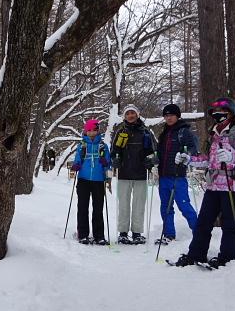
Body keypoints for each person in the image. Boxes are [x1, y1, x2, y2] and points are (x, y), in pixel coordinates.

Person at [172, 97, 235, 268]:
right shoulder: (214, 133)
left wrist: (232, 157)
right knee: (203, 221)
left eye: (223, 111)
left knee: (229, 222)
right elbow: (208, 160)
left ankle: (228, 257)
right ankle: (196, 254)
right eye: (215, 112)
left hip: (234, 183)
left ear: (232, 113)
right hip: (214, 184)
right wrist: (189, 159)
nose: (218, 114)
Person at [110, 104, 157, 245]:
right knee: (123, 204)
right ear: (125, 116)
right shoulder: (120, 132)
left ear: (137, 115)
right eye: (128, 113)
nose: (130, 116)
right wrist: (116, 160)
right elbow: (114, 151)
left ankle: (137, 233)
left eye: (133, 113)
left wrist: (151, 162)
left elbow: (153, 152)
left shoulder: (146, 132)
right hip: (123, 173)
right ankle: (123, 233)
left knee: (139, 204)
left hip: (141, 173)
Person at [155, 104, 198, 245]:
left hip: (178, 175)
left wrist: (187, 154)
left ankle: (199, 232)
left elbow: (192, 148)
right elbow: (159, 152)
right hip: (163, 175)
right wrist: (154, 159)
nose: (168, 118)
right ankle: (168, 234)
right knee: (165, 206)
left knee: (184, 205)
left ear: (177, 116)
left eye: (171, 115)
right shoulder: (164, 133)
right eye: (166, 115)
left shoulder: (184, 132)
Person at [70, 119, 111, 245]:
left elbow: (108, 164)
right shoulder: (81, 146)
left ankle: (99, 236)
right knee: (83, 207)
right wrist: (76, 166)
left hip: (99, 180)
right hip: (83, 179)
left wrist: (106, 164)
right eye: (89, 130)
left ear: (98, 131)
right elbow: (77, 160)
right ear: (86, 131)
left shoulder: (103, 146)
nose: (92, 133)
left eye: (94, 130)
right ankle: (83, 234)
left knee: (98, 209)